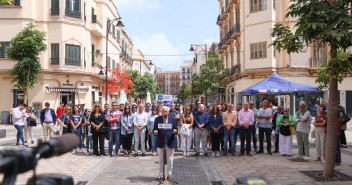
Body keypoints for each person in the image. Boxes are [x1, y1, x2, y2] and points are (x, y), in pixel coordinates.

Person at [153, 106, 178, 181]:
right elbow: (154, 129)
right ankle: (161, 175)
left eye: (166, 111)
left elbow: (176, 129)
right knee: (161, 160)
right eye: (163, 111)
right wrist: (155, 132)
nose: (165, 113)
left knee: (170, 160)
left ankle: (169, 175)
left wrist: (175, 131)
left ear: (168, 112)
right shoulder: (157, 119)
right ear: (161, 112)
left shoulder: (173, 119)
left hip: (170, 142)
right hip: (161, 142)